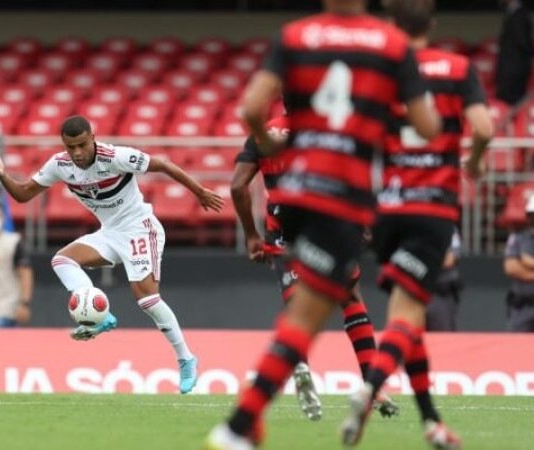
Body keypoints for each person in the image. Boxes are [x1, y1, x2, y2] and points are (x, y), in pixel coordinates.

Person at [205, 0, 440, 447]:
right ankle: (240, 426)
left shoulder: (296, 36)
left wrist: (269, 142)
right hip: (340, 196)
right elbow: (425, 126)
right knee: (332, 307)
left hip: (292, 203)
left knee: (306, 310)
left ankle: (243, 423)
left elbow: (251, 108)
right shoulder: (388, 43)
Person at [0, 115, 223, 394]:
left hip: (140, 229)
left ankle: (186, 358)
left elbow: (163, 165)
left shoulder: (116, 157)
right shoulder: (60, 165)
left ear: (92, 138)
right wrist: (1, 173)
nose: (77, 152)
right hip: (110, 233)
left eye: (82, 144)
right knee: (62, 260)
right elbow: (23, 194)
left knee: (147, 299)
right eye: (71, 147)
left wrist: (199, 192)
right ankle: (100, 315)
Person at [340, 1, 493, 449]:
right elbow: (484, 128)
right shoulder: (457, 69)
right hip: (431, 210)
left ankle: (431, 423)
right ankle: (370, 387)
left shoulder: (380, 71)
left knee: (408, 315)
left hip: (389, 210)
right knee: (407, 317)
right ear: (433, 23)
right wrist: (475, 162)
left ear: (392, 24)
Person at [231, 115, 398, 421]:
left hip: (282, 223)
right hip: (326, 220)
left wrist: (252, 235)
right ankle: (372, 385)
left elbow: (238, 186)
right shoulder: (327, 128)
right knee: (350, 299)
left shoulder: (264, 133)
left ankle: (300, 365)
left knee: (297, 304)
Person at [503, 195, 534, 332]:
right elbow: (511, 268)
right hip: (522, 307)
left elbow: (521, 265)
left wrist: (527, 262)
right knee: (516, 344)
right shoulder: (518, 238)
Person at [496, 0, 533, 105]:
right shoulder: (511, 12)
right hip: (510, 67)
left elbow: (522, 42)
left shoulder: (520, 15)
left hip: (515, 69)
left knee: (513, 101)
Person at [426, 229, 463, 331]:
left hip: (440, 293)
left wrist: (423, 257)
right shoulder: (414, 226)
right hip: (415, 290)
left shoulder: (449, 228)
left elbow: (449, 259)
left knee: (441, 333)